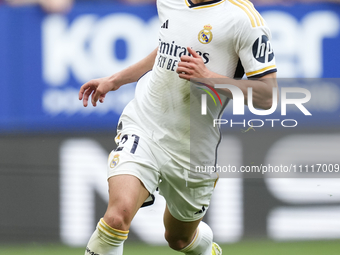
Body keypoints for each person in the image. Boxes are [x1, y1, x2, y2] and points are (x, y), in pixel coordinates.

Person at [79, 0, 278, 254]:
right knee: (117, 217)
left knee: (179, 239)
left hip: (192, 146)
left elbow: (267, 96)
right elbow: (166, 48)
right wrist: (116, 80)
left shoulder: (246, 21)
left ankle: (207, 249)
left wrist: (208, 78)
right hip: (145, 123)